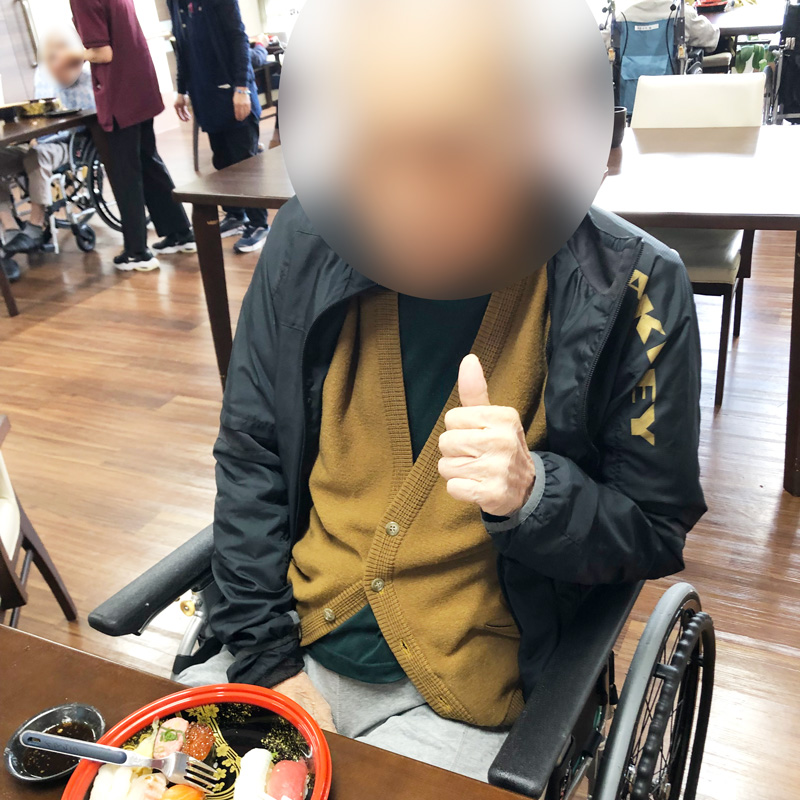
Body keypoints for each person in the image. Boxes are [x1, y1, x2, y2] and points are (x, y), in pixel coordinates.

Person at [177, 1, 707, 783]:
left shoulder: (635, 289)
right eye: (381, 141)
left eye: (454, 149)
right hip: (283, 647)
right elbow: (252, 455)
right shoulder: (303, 240)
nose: (411, 192)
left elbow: (653, 527)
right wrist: (266, 665)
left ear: (539, 131)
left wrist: (532, 494)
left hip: (464, 701)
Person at [66, 0, 195, 271]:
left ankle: (137, 252)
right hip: (140, 85)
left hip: (119, 94)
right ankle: (180, 232)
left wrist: (73, 55)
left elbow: (103, 53)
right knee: (148, 161)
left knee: (125, 173)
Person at [168, 0, 270, 254]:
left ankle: (259, 224)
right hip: (206, 95)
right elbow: (183, 47)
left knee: (245, 164)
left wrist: (242, 88)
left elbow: (238, 40)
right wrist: (181, 90)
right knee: (222, 161)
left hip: (235, 92)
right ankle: (235, 215)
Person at [0, 28, 95, 258]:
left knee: (37, 156)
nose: (55, 62)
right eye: (50, 56)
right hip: (38, 140)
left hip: (70, 142)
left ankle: (35, 225)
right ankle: (10, 227)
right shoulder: (43, 75)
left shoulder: (88, 78)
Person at [603, 0, 720, 51]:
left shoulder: (621, 18)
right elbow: (712, 39)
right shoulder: (683, 14)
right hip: (672, 91)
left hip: (631, 93)